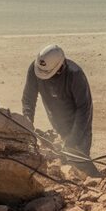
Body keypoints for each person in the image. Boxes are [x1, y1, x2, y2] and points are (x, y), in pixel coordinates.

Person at [22, 44, 98, 176]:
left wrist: (72, 139)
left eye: (47, 74)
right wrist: (27, 122)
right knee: (62, 161)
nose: (42, 76)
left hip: (79, 124)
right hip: (57, 122)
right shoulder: (37, 68)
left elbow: (84, 110)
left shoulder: (75, 75)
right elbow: (29, 98)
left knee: (78, 160)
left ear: (60, 67)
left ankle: (94, 179)